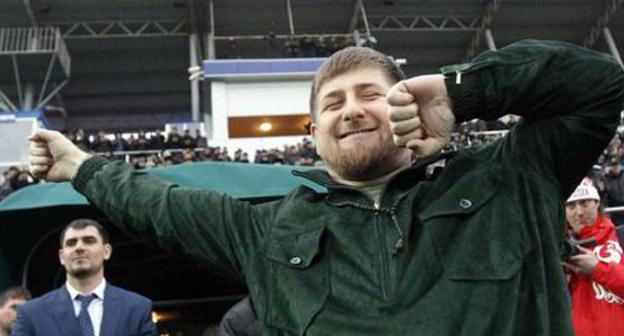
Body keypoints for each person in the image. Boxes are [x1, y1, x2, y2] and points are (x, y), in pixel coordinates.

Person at [27, 40, 624, 335]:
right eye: (333, 103)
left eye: (371, 94)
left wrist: (464, 91)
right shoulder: (269, 230)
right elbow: (159, 204)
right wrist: (82, 166)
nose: (353, 110)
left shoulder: (510, 179)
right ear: (314, 133)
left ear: (408, 101)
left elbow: (599, 87)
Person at [12, 219, 156, 336]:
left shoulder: (136, 308)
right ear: (62, 257)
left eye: (89, 241)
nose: (79, 247)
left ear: (107, 251)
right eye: (71, 243)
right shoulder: (31, 313)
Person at [563, 178, 624, 336]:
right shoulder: (556, 249)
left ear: (597, 203)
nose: (579, 212)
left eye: (584, 203)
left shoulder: (620, 237)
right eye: (571, 206)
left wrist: (597, 269)